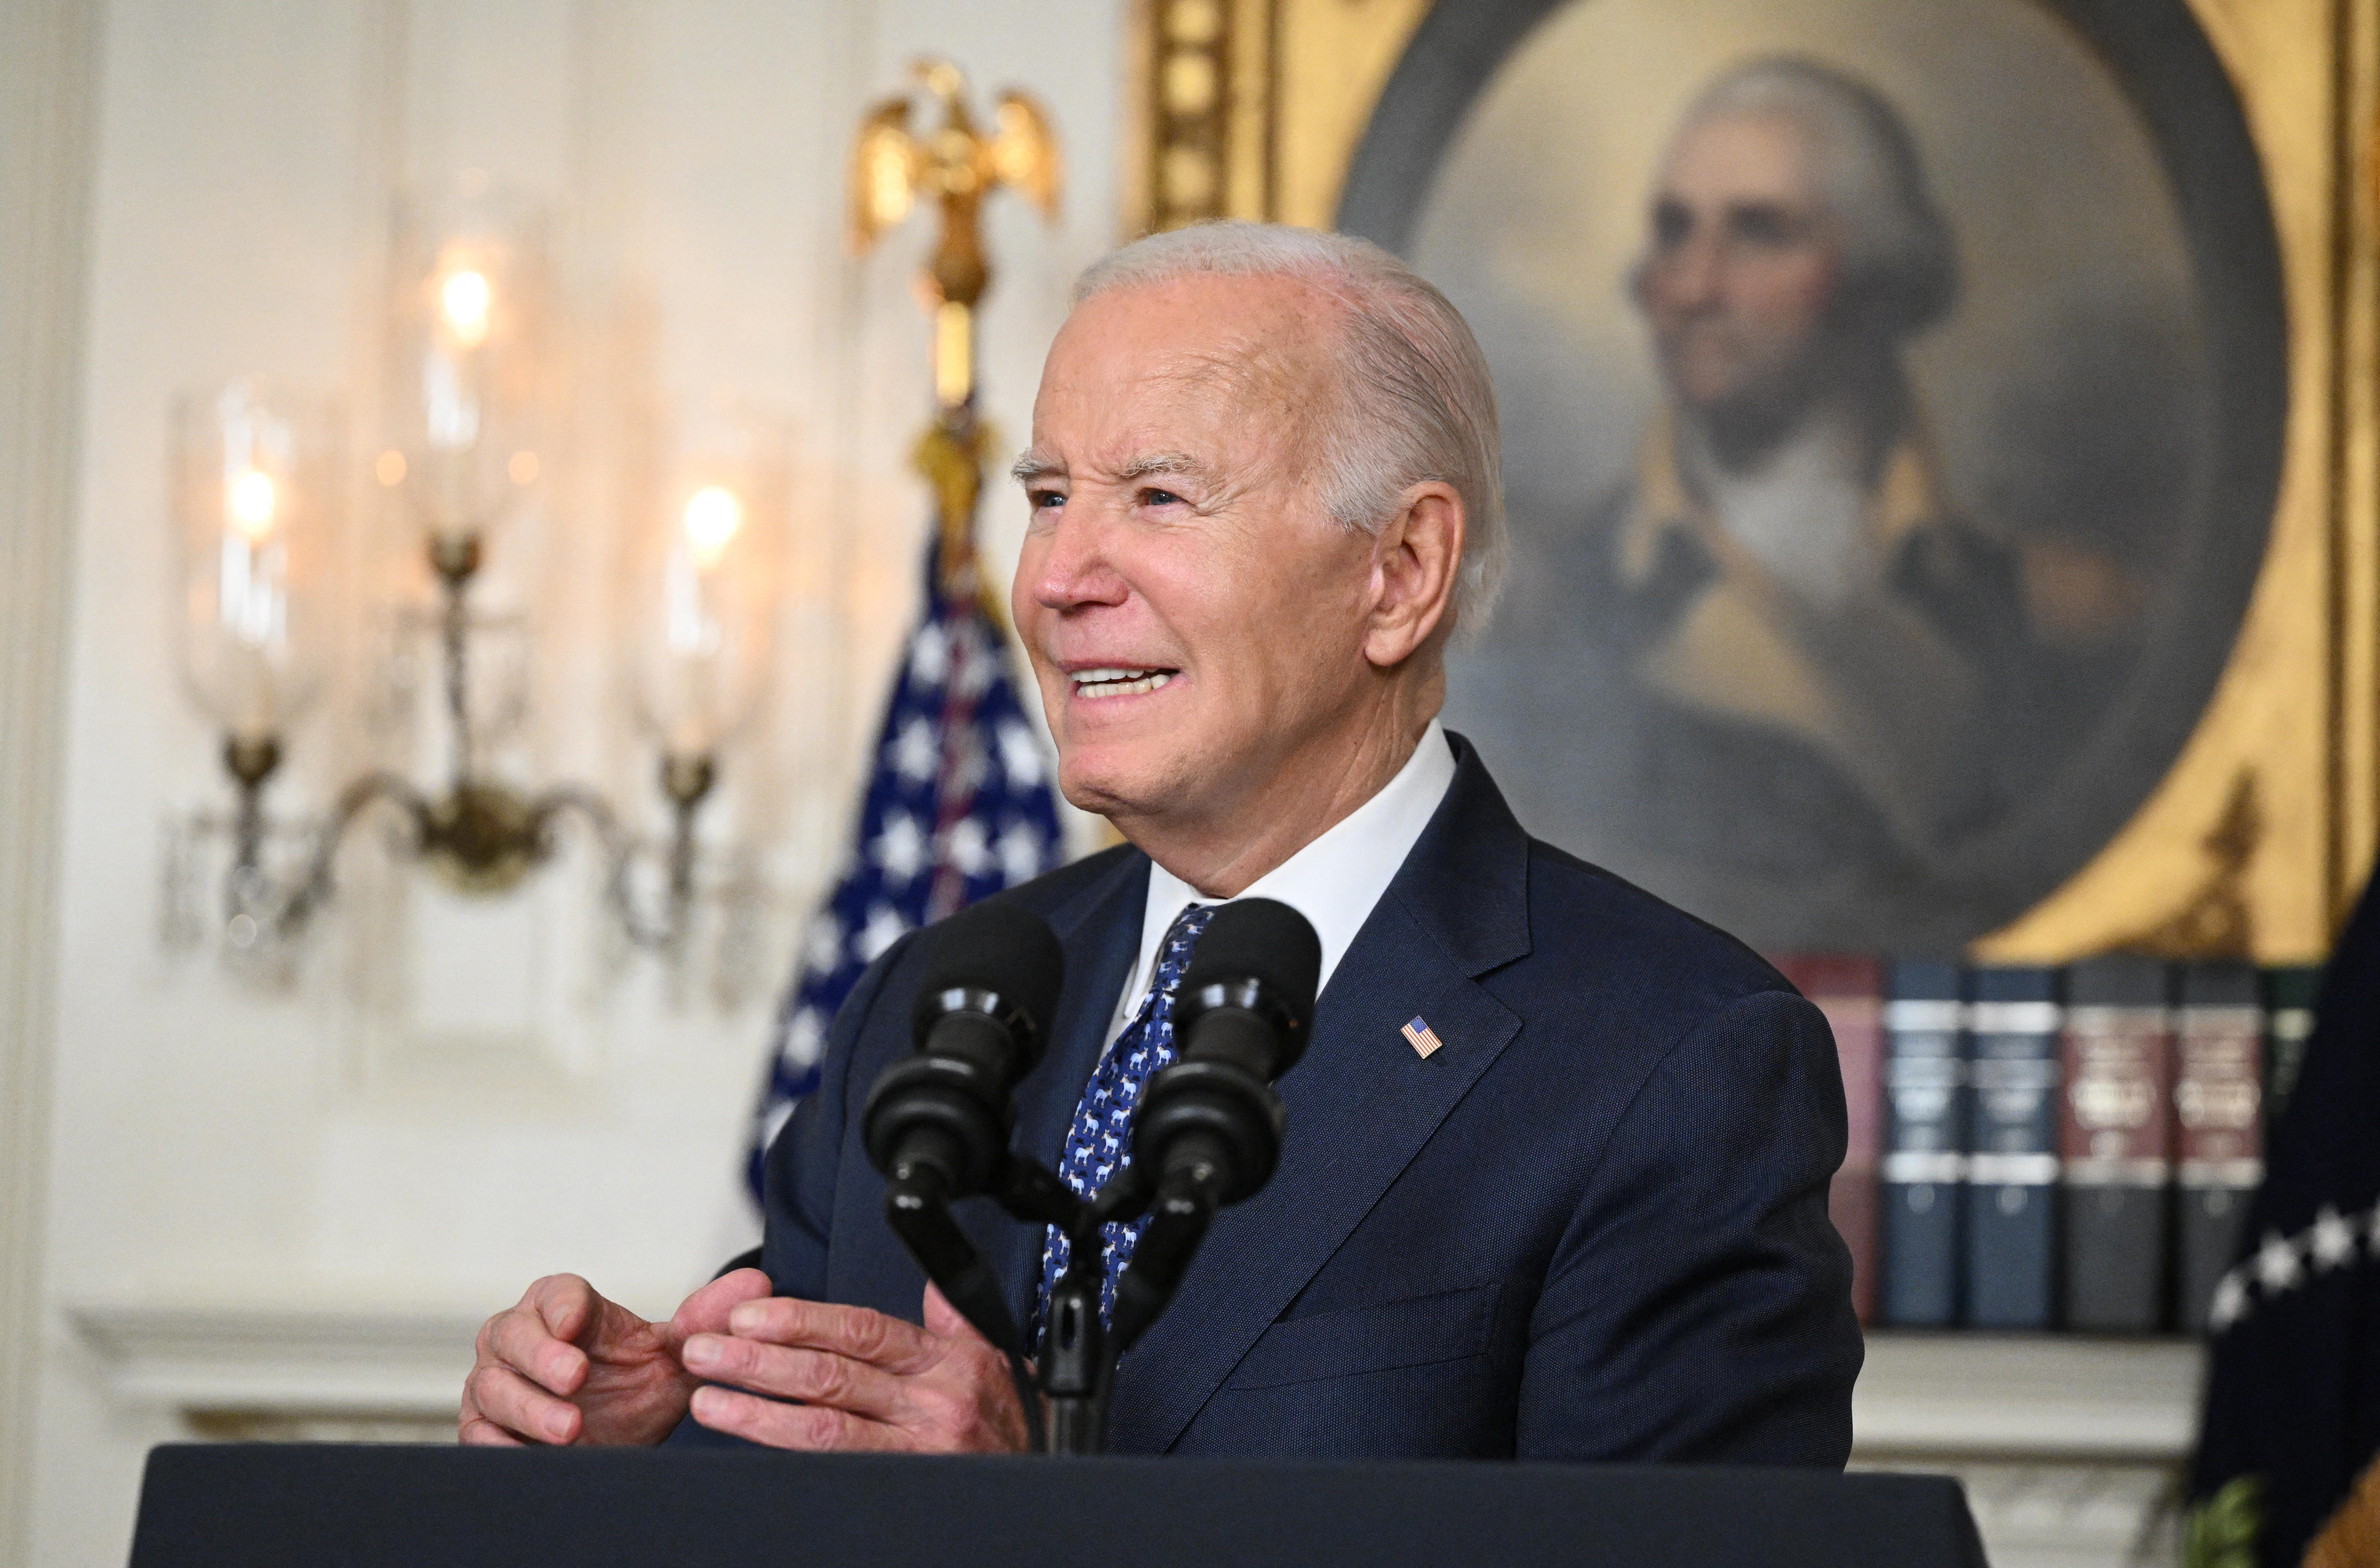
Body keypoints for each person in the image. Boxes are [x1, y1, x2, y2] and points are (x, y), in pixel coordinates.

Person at [459, 221, 1862, 1460]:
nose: (1059, 578)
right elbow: (814, 1461)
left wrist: (1033, 1526)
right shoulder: (933, 1001)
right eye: (1049, 494)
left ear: (1398, 574)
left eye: (1157, 496)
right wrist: (644, 1436)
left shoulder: (1671, 1059)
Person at [1547, 57, 2043, 938]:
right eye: (1673, 231)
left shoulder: (2028, 601)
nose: (1695, 287)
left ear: (1876, 273)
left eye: (1760, 233)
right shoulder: (1561, 596)